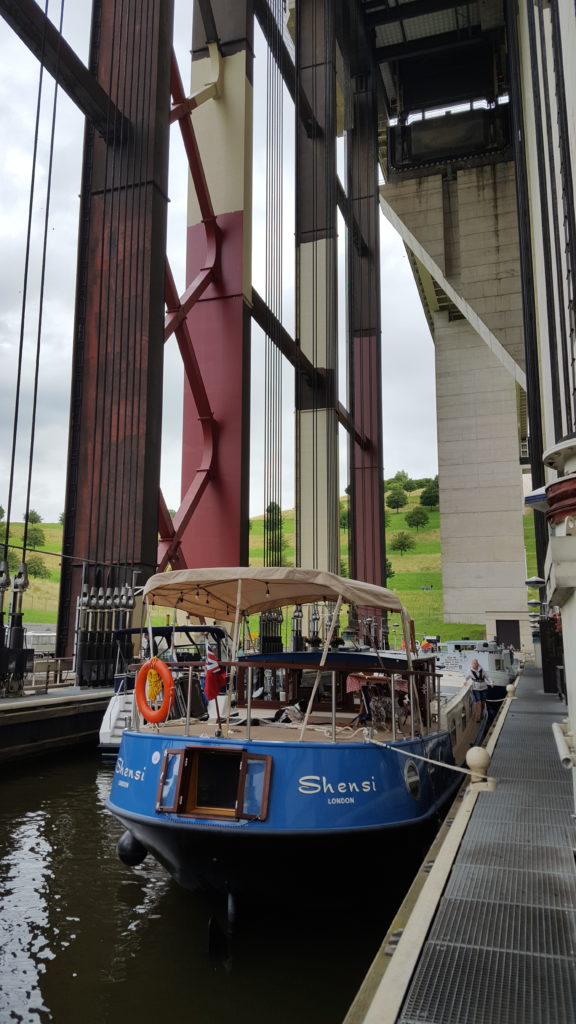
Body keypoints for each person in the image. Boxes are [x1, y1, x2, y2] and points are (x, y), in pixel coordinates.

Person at [465, 658, 493, 723]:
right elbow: (466, 677)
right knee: (478, 702)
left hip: (483, 687)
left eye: (475, 663)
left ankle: (481, 713)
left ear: (477, 664)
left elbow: (487, 677)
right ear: (472, 664)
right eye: (473, 663)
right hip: (476, 688)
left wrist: (491, 683)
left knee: (483, 702)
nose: (474, 664)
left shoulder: (482, 670)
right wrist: (465, 681)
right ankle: (478, 717)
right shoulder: (470, 671)